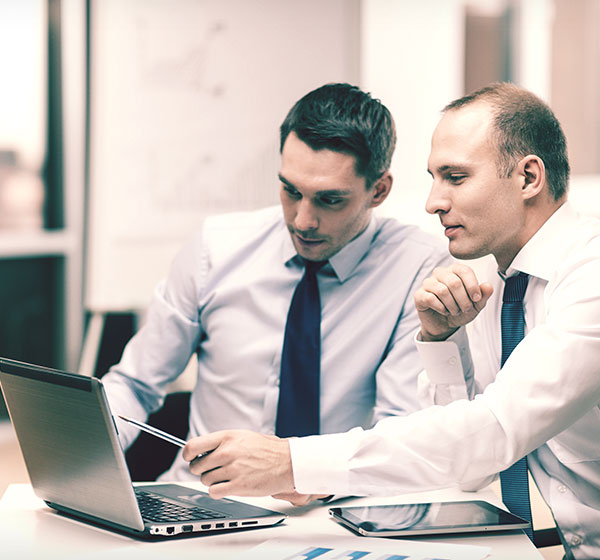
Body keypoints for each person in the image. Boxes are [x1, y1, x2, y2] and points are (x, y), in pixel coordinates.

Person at [183, 83, 600, 558]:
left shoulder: (591, 277)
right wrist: (440, 340)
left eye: (455, 177)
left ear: (528, 178)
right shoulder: (492, 278)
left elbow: (494, 431)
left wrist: (292, 461)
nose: (433, 202)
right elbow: (469, 472)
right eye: (433, 177)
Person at [102, 82, 451, 505]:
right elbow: (135, 384)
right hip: (197, 501)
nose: (303, 220)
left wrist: (313, 473)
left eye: (329, 200)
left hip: (336, 511)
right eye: (290, 191)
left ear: (378, 190)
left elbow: (402, 431)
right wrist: (80, 456)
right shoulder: (217, 249)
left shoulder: (418, 269)